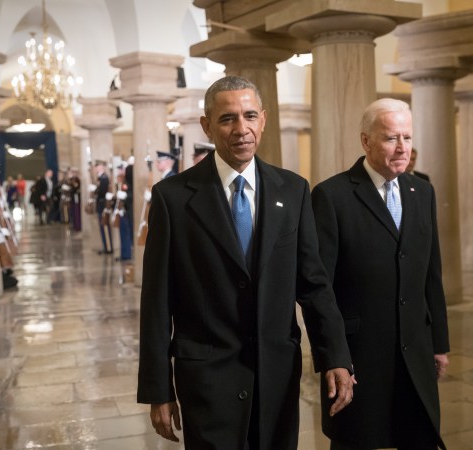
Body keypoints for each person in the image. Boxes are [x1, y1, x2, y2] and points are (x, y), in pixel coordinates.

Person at [138, 75, 354, 450]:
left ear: (263, 120)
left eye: (250, 116)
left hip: (276, 377)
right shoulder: (172, 199)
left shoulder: (294, 190)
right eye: (227, 119)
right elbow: (157, 302)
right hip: (207, 380)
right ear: (207, 125)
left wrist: (335, 355)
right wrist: (158, 388)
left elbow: (314, 284)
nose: (242, 129)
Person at [311, 98, 450, 450]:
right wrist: (333, 357)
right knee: (358, 439)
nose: (403, 147)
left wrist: (439, 344)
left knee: (419, 436)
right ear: (366, 141)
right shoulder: (332, 196)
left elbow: (431, 273)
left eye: (407, 137)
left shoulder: (422, 192)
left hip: (415, 350)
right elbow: (319, 288)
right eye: (391, 138)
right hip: (359, 355)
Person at [92, 160, 113, 254]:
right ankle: (105, 246)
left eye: (98, 166)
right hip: (100, 204)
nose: (96, 168)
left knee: (104, 226)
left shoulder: (104, 178)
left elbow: (103, 192)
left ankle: (108, 247)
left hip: (103, 205)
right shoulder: (100, 177)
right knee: (102, 226)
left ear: (102, 167)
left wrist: (95, 190)